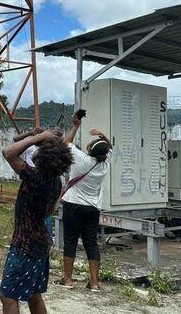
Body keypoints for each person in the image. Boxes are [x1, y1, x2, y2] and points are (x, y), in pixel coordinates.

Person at [0, 130, 73, 314]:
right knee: (33, 293)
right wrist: (43, 139)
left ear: (42, 159)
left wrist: (39, 137)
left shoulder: (35, 177)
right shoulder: (55, 181)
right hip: (40, 243)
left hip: (25, 245)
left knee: (8, 296)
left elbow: (8, 152)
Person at [58, 113, 112, 292]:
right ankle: (94, 283)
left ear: (90, 150)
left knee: (70, 240)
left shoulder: (80, 159)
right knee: (91, 243)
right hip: (93, 208)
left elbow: (66, 144)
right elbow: (109, 148)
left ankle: (67, 280)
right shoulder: (104, 164)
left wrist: (75, 126)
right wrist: (102, 135)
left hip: (73, 204)